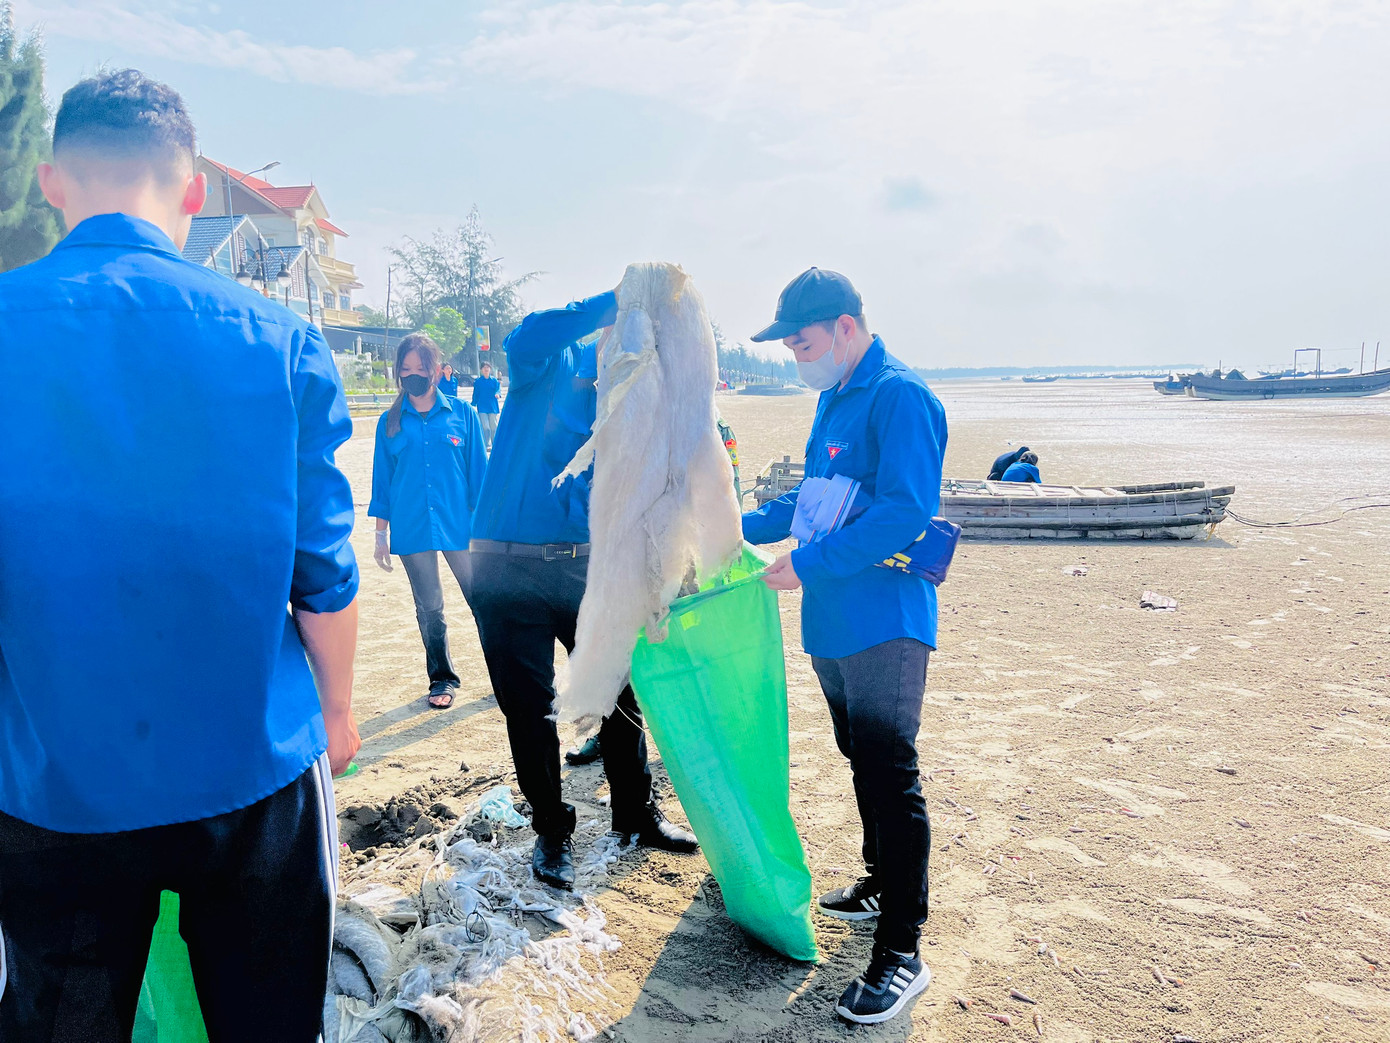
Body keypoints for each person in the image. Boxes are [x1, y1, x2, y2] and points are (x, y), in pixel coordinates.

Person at [0, 70, 359, 1042]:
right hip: (254, 775)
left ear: (50, 181)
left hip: (50, 784)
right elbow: (323, 578)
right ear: (195, 189)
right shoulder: (280, 341)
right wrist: (335, 711)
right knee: (270, 1021)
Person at [742, 268, 947, 1026]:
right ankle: (878, 880)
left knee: (891, 771)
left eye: (803, 344)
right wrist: (734, 525)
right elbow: (814, 499)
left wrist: (808, 563)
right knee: (857, 753)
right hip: (831, 621)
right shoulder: (833, 396)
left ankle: (903, 949)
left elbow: (904, 512)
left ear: (846, 328)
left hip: (886, 618)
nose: (798, 358)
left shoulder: (900, 396)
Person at [468, 289, 699, 891]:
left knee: (620, 692)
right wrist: (617, 298)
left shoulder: (635, 392)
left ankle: (636, 813)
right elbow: (526, 337)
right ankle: (551, 829)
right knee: (530, 709)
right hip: (507, 567)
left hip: (590, 567)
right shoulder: (552, 359)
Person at [370, 333, 488, 710]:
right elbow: (383, 482)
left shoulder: (463, 415)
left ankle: (507, 673)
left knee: (484, 600)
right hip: (412, 524)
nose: (413, 375)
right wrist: (380, 535)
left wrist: (488, 530)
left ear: (436, 370)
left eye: (421, 368)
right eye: (406, 369)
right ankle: (442, 677)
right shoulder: (389, 423)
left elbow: (480, 478)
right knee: (430, 607)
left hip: (460, 525)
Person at [471, 360, 502, 451]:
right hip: (482, 407)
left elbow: (498, 390)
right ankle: (486, 444)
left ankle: (494, 445)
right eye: (484, 367)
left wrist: (498, 394)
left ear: (490, 369)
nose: (486, 369)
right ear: (481, 370)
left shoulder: (494, 381)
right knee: (485, 427)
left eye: (488, 367)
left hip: (492, 407)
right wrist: (473, 403)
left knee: (493, 427)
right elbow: (476, 393)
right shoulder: (478, 381)